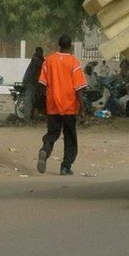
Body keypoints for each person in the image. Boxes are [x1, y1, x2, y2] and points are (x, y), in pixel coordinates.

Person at [37, 35, 87, 176]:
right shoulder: (74, 63)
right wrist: (82, 108)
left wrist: (41, 106)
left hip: (52, 105)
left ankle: (45, 150)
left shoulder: (49, 60)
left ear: (58, 44)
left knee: (53, 133)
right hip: (69, 106)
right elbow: (78, 88)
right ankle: (65, 167)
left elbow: (41, 85)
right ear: (70, 45)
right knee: (70, 137)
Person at [22, 46, 45, 122]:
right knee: (29, 99)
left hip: (34, 82)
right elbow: (40, 64)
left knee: (33, 99)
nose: (42, 54)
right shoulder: (36, 59)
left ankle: (31, 117)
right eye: (41, 53)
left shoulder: (39, 59)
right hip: (30, 82)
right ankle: (27, 118)